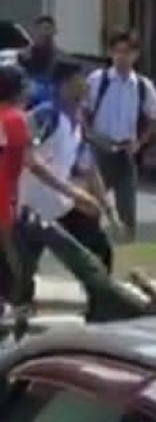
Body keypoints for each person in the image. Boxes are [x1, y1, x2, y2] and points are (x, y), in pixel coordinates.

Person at [14, 59, 114, 314]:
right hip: (27, 208)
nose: (84, 85)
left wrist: (106, 208)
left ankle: (101, 305)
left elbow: (89, 169)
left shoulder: (78, 123)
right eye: (77, 80)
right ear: (62, 85)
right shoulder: (46, 116)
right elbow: (29, 159)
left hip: (61, 207)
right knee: (20, 272)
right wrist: (73, 191)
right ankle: (18, 314)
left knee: (99, 249)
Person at [82, 30, 156, 240]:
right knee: (91, 203)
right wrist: (90, 135)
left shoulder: (142, 85)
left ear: (135, 55)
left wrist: (140, 142)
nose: (121, 57)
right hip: (100, 149)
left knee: (127, 205)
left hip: (126, 151)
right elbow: (82, 110)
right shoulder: (98, 80)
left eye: (126, 52)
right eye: (117, 51)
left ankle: (128, 244)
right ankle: (90, 241)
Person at [18, 15, 64, 116]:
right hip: (30, 105)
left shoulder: (60, 57)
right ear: (34, 31)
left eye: (48, 29)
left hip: (53, 105)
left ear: (54, 31)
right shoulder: (24, 55)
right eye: (41, 29)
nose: (45, 33)